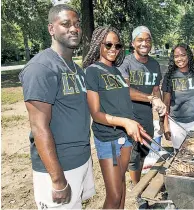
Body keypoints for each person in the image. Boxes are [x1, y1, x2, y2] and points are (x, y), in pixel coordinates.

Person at [18, 4, 95, 209]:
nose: (73, 28)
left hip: (80, 160)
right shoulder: (40, 68)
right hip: (58, 169)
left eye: (77, 24)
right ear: (51, 29)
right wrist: (58, 179)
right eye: (66, 24)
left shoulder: (76, 69)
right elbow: (39, 127)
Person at [82, 26, 144, 209]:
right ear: (98, 45)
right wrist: (125, 122)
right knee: (114, 195)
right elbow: (96, 114)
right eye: (108, 44)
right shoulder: (92, 71)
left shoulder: (116, 71)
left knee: (122, 186)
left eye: (118, 46)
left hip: (125, 138)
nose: (113, 49)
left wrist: (134, 122)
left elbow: (123, 101)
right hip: (109, 138)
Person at [118, 25, 166, 208]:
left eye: (148, 40)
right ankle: (138, 191)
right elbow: (125, 91)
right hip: (129, 117)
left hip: (146, 115)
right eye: (140, 40)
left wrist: (161, 116)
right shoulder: (126, 63)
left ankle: (137, 181)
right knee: (133, 155)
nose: (144, 43)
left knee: (144, 152)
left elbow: (156, 91)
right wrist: (150, 98)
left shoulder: (154, 64)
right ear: (133, 43)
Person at [162, 43, 194, 150]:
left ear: (188, 55)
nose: (180, 59)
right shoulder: (169, 76)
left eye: (183, 55)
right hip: (176, 123)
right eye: (176, 56)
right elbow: (165, 103)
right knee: (180, 155)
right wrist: (166, 126)